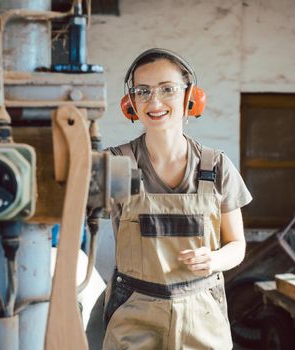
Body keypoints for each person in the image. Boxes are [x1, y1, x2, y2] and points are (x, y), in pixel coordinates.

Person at [103, 48, 252, 350]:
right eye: (142, 91)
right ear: (129, 102)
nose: (154, 102)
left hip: (202, 313)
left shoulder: (216, 166)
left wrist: (214, 259)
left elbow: (237, 245)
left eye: (167, 89)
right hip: (134, 311)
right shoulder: (115, 165)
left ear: (190, 97)